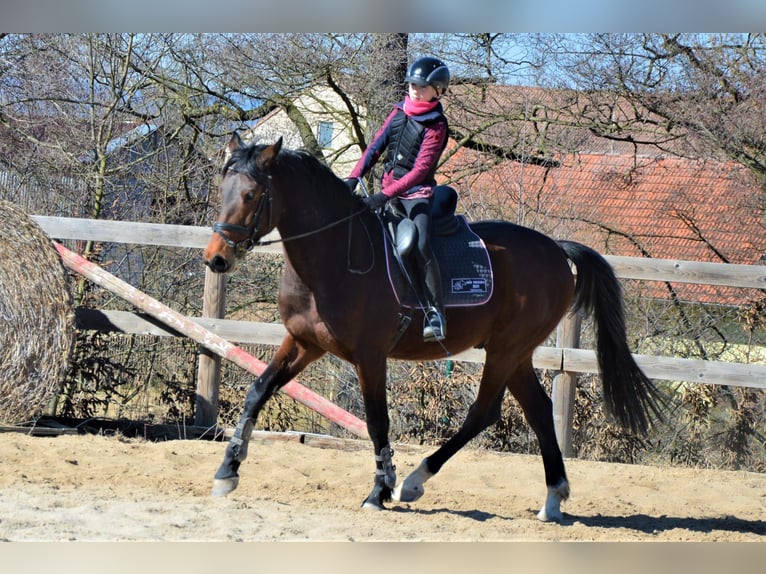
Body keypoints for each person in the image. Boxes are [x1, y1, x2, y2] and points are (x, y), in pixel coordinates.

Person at [344, 56, 450, 342]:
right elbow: (376, 146)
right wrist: (354, 177)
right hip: (389, 193)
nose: (415, 89)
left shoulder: (436, 126)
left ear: (437, 89)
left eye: (422, 86)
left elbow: (420, 171)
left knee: (422, 242)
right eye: (413, 84)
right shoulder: (399, 111)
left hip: (417, 196)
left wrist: (382, 195)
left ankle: (434, 312)